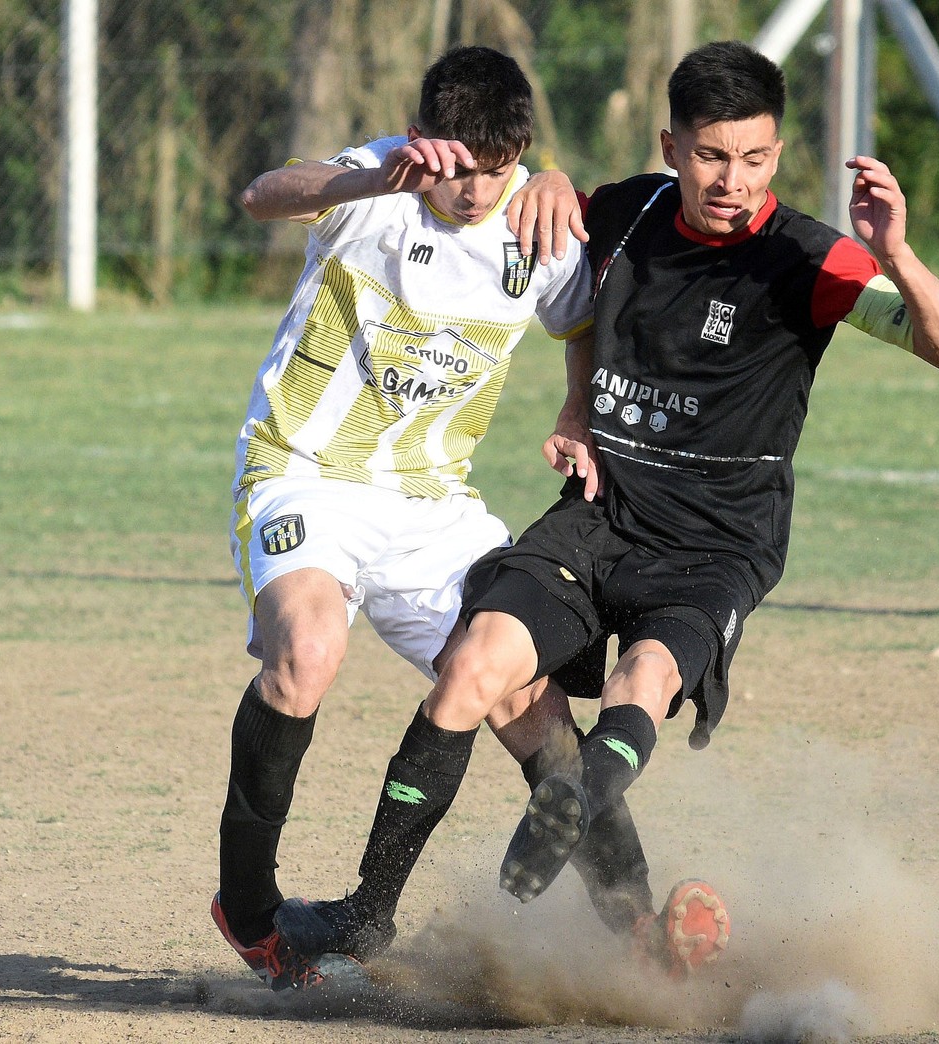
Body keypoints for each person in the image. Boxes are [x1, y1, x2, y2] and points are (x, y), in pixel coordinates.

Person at [278, 39, 939, 975]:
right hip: (599, 514)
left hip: (716, 542)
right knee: (472, 667)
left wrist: (896, 254)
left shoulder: (808, 257)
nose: (732, 180)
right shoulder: (625, 211)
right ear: (670, 146)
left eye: (754, 158)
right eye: (711, 155)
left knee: (639, 679)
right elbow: (540, 213)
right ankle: (367, 915)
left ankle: (589, 827)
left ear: (777, 152)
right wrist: (547, 181)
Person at [212, 45, 660, 992]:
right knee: (306, 657)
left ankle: (639, 926)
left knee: (524, 697)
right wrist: (371, 177)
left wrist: (575, 408)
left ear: (520, 154)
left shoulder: (537, 220)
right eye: (460, 170)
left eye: (498, 170)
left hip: (434, 504)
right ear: (422, 140)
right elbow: (263, 196)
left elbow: (578, 321)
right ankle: (250, 910)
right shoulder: (376, 181)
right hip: (305, 474)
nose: (475, 192)